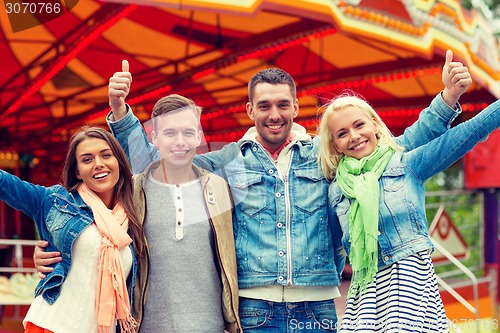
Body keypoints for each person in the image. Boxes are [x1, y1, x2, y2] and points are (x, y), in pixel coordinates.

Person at [36, 50, 470, 332]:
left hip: (319, 308)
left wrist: (448, 99)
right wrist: (121, 113)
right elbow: (158, 159)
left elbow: (400, 148)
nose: (274, 114)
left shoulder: (327, 156)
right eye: (264, 105)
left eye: (283, 104)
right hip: (255, 311)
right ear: (250, 110)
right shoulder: (226, 161)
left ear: (297, 107)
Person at [35, 61, 242, 333]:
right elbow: (86, 226)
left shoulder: (220, 188)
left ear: (200, 136)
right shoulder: (130, 191)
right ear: (153, 138)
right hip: (143, 327)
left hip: (211, 326)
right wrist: (52, 251)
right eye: (169, 133)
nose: (179, 141)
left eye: (188, 132)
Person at [318, 85, 499, 332]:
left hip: (409, 279)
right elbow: (337, 249)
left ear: (374, 125)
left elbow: (470, 131)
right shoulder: (336, 190)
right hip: (365, 289)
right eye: (342, 133)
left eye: (359, 125)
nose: (354, 136)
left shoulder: (407, 164)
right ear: (336, 145)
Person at [1, 126, 144, 333]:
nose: (98, 164)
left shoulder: (135, 215)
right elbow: (5, 184)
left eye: (106, 155)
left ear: (119, 162)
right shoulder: (54, 201)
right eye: (87, 159)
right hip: (54, 324)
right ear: (77, 171)